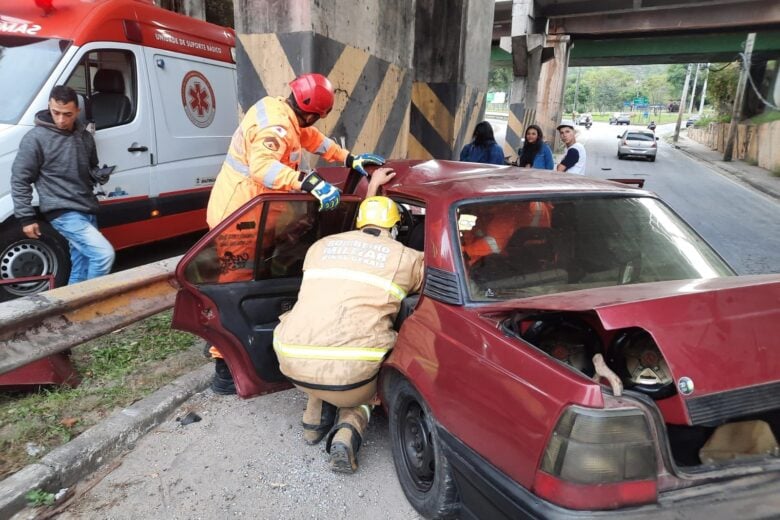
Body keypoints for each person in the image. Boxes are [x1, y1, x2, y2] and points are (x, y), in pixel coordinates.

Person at [206, 72, 386, 395]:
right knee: (233, 291)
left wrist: (348, 158)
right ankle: (224, 369)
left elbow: (313, 139)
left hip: (249, 217)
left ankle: (233, 349)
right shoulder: (275, 128)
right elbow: (263, 167)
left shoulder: (284, 115)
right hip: (237, 220)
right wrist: (307, 182)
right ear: (313, 111)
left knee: (244, 285)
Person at [273, 194, 424, 473]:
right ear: (395, 228)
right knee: (374, 362)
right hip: (352, 376)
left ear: (359, 222)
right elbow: (435, 283)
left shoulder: (321, 246)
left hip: (292, 361)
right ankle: (348, 431)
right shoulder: (408, 258)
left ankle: (312, 423)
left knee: (321, 340)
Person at [11, 85, 115, 285]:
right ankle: (89, 302)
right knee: (103, 255)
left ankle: (70, 312)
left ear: (77, 111)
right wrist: (26, 218)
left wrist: (98, 175)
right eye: (55, 112)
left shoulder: (84, 136)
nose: (60, 120)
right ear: (49, 107)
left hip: (86, 207)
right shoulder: (35, 139)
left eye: (67, 114)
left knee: (81, 265)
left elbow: (90, 167)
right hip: (62, 211)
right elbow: (20, 178)